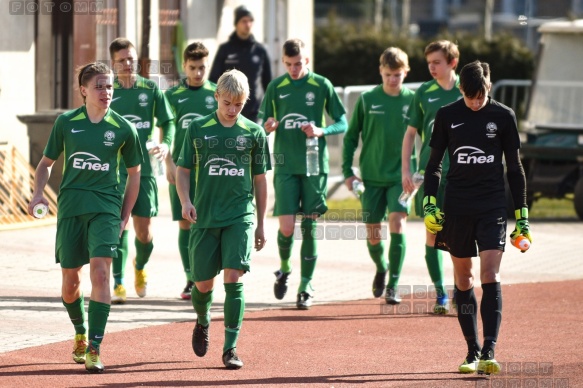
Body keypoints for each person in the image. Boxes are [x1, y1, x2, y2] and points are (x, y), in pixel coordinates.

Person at [28, 62, 142, 373]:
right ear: (83, 90)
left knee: (102, 274)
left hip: (105, 209)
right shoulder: (66, 123)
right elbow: (45, 164)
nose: (106, 92)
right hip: (70, 210)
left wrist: (124, 215)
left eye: (109, 86)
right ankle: (79, 331)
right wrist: (38, 192)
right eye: (99, 86)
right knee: (70, 282)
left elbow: (135, 174)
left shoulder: (123, 128)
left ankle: (95, 346)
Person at [423, 60, 531, 375]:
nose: (475, 102)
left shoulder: (503, 116)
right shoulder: (447, 116)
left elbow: (515, 168)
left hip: (492, 207)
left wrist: (522, 217)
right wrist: (431, 204)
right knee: (464, 279)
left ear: (488, 87)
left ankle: (489, 350)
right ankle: (471, 351)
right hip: (456, 206)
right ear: (461, 90)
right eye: (470, 97)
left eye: (480, 95)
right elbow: (433, 166)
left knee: (490, 275)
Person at [176, 69, 269, 369]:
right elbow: (183, 169)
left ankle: (230, 348)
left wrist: (262, 222)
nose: (232, 109)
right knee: (202, 285)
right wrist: (186, 201)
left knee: (234, 278)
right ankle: (203, 320)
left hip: (240, 216)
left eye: (238, 104)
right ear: (216, 96)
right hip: (204, 217)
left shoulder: (254, 133)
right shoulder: (198, 129)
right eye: (227, 102)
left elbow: (261, 180)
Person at [259, 38, 347, 310]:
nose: (294, 69)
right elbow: (263, 121)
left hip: (313, 166)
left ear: (306, 61)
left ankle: (306, 286)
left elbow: (342, 121)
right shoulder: (276, 87)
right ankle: (284, 268)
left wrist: (322, 131)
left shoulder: (321, 85)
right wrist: (269, 125)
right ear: (283, 63)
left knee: (309, 227)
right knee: (286, 227)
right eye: (288, 65)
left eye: (298, 64)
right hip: (285, 165)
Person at [342, 47, 415, 303]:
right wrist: (347, 173)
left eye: (397, 75)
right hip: (370, 178)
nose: (393, 80)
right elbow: (351, 137)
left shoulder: (413, 101)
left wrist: (420, 172)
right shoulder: (367, 99)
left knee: (397, 222)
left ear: (405, 72)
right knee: (373, 233)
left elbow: (429, 138)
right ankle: (382, 267)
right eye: (388, 75)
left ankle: (394, 284)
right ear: (380, 72)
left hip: (402, 178)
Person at [109, 37, 176, 303]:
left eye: (131, 59)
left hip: (144, 169)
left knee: (144, 233)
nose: (128, 64)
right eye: (122, 60)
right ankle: (118, 283)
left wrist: (165, 145)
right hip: (115, 171)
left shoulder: (151, 89)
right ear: (113, 64)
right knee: (117, 227)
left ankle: (139, 266)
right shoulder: (107, 90)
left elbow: (168, 122)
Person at [401, 40, 462, 314]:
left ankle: (463, 289)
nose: (431, 68)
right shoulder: (423, 91)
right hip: (432, 175)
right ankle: (440, 294)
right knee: (432, 232)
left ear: (452, 63)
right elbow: (411, 133)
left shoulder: (467, 88)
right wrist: (407, 169)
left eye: (437, 62)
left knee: (461, 235)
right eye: (428, 63)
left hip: (463, 175)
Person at [164, 41, 217, 300]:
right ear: (184, 65)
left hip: (210, 173)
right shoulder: (172, 96)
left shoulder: (218, 93)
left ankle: (205, 276)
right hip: (181, 170)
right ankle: (190, 278)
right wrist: (168, 164)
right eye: (193, 67)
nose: (198, 73)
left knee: (207, 224)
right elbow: (166, 131)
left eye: (202, 67)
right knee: (185, 224)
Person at [209, 5, 272, 122]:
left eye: (250, 21)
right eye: (244, 21)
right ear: (236, 23)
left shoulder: (260, 50)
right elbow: (213, 80)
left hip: (254, 112)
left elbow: (268, 84)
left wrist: (269, 111)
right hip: (229, 111)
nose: (248, 25)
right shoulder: (225, 49)